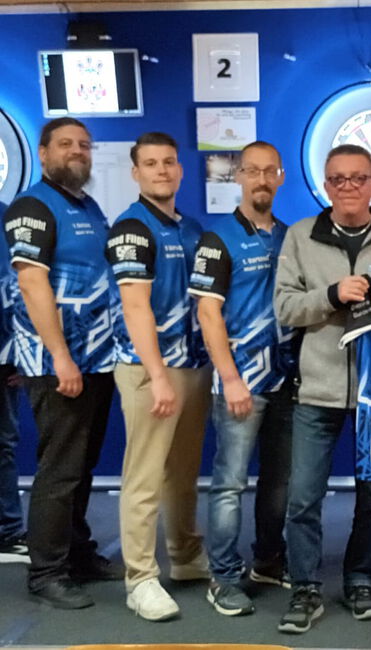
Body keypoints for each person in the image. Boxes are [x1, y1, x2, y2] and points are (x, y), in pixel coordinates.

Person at [274, 144, 371, 634]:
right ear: (326, 186)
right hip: (317, 389)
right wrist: (331, 295)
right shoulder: (301, 236)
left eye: (358, 178)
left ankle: (361, 578)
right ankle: (305, 587)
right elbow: (285, 309)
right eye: (338, 179)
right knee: (303, 498)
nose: (349, 187)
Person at [3, 117, 122, 609]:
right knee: (59, 470)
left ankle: (77, 554)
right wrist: (59, 357)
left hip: (95, 359)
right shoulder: (32, 206)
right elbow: (32, 284)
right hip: (59, 364)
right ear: (43, 152)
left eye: (85, 145)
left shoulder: (87, 206)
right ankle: (46, 572)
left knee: (82, 466)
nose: (78, 151)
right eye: (67, 144)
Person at [106, 132, 211, 621]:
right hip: (150, 369)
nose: (162, 171)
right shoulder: (132, 228)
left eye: (168, 162)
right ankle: (141, 579)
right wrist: (158, 376)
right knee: (144, 477)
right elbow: (135, 307)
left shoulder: (189, 228)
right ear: (136, 173)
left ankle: (185, 557)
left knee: (183, 473)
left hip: (191, 364)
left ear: (180, 170)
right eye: (150, 164)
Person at [190, 141, 296, 617]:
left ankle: (269, 561)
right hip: (239, 383)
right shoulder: (217, 240)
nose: (261, 179)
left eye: (269, 171)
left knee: (278, 482)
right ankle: (225, 577)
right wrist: (230, 378)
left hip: (286, 381)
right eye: (252, 171)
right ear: (238, 177)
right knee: (230, 483)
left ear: (280, 177)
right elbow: (207, 313)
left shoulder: (290, 237)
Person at [0, 200, 27, 564]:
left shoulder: (9, 216)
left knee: (3, 443)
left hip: (3, 356)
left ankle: (7, 531)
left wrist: (19, 352)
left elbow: (20, 287)